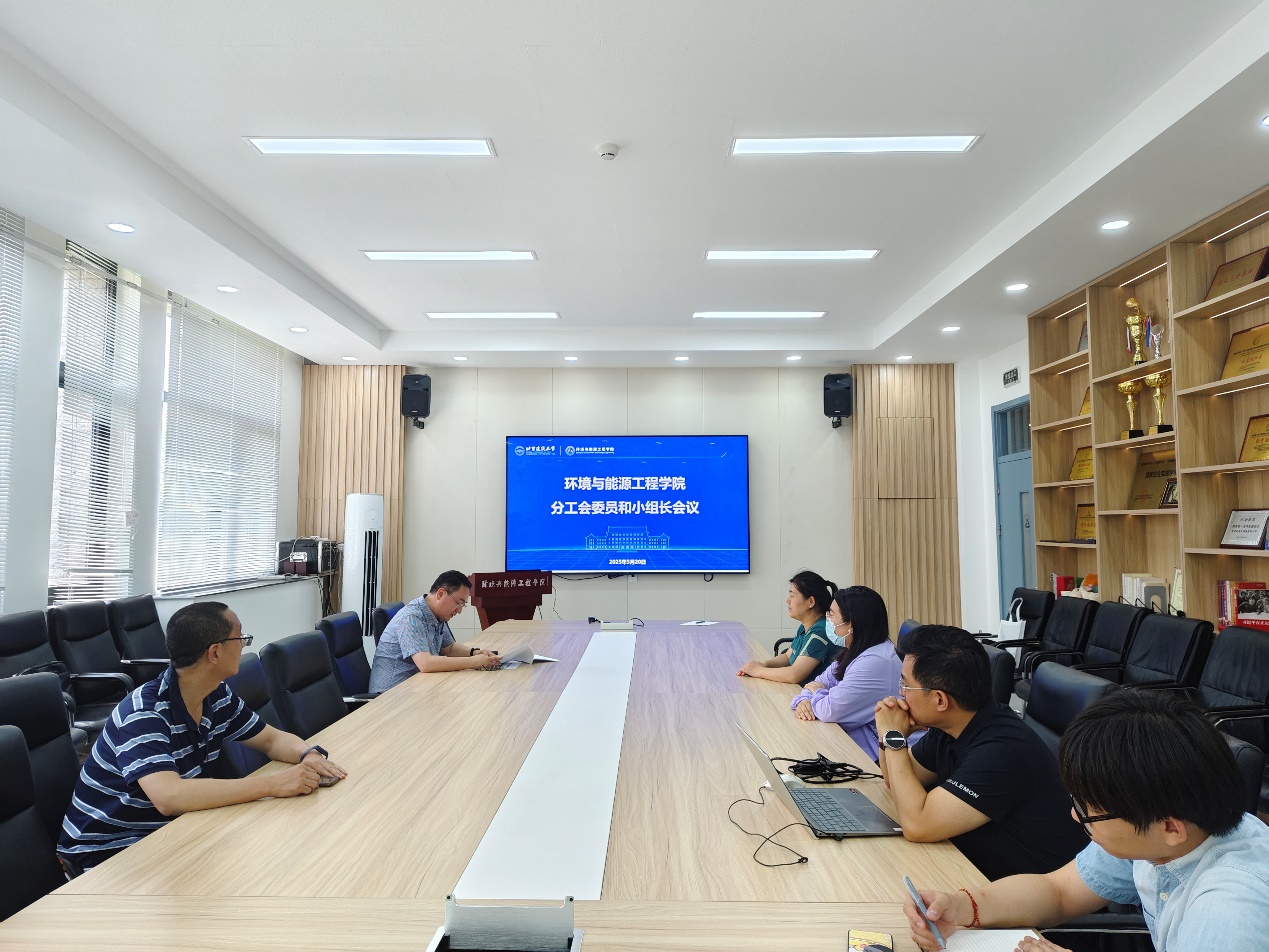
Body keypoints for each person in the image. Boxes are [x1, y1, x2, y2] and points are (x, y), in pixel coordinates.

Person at [904, 690, 1269, 952]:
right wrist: (961, 906)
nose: (1075, 815)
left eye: (1090, 810)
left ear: (1171, 827)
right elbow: (1058, 892)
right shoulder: (1161, 835)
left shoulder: (1229, 912)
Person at [58, 602, 347, 871]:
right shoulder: (145, 713)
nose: (244, 644)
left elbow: (271, 740)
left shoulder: (216, 694)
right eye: (240, 638)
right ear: (215, 653)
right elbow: (169, 796)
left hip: (169, 834)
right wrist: (272, 784)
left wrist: (307, 754)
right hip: (107, 853)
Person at [874, 624, 1087, 880]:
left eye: (905, 684)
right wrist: (890, 734)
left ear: (940, 700)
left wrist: (893, 736)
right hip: (972, 867)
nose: (900, 693)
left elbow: (918, 826)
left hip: (1030, 892)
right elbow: (895, 781)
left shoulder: (1001, 750)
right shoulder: (953, 724)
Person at [788, 585, 901, 761]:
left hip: (880, 754)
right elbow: (819, 681)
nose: (828, 620)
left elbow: (829, 710)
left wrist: (816, 693)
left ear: (851, 624)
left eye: (832, 615)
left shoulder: (875, 661)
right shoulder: (854, 649)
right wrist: (805, 698)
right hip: (855, 738)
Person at [368, 570, 501, 692]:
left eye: (463, 605)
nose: (459, 610)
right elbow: (425, 664)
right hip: (391, 694)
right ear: (441, 593)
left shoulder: (437, 614)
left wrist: (476, 653)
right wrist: (475, 662)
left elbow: (449, 648)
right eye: (459, 603)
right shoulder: (412, 617)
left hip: (417, 686)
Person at [737, 570, 835, 685]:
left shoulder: (820, 631)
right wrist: (763, 664)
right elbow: (788, 657)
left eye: (792, 596)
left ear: (811, 601)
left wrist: (758, 671)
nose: (787, 600)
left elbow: (794, 675)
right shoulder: (805, 627)